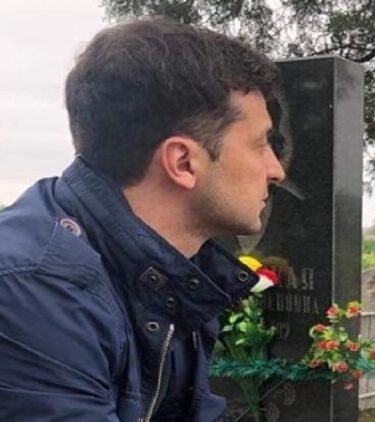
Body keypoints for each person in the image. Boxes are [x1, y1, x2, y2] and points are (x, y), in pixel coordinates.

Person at [0, 17, 285, 421]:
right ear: (183, 162)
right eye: (260, 145)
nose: (276, 170)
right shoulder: (34, 290)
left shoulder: (169, 273)